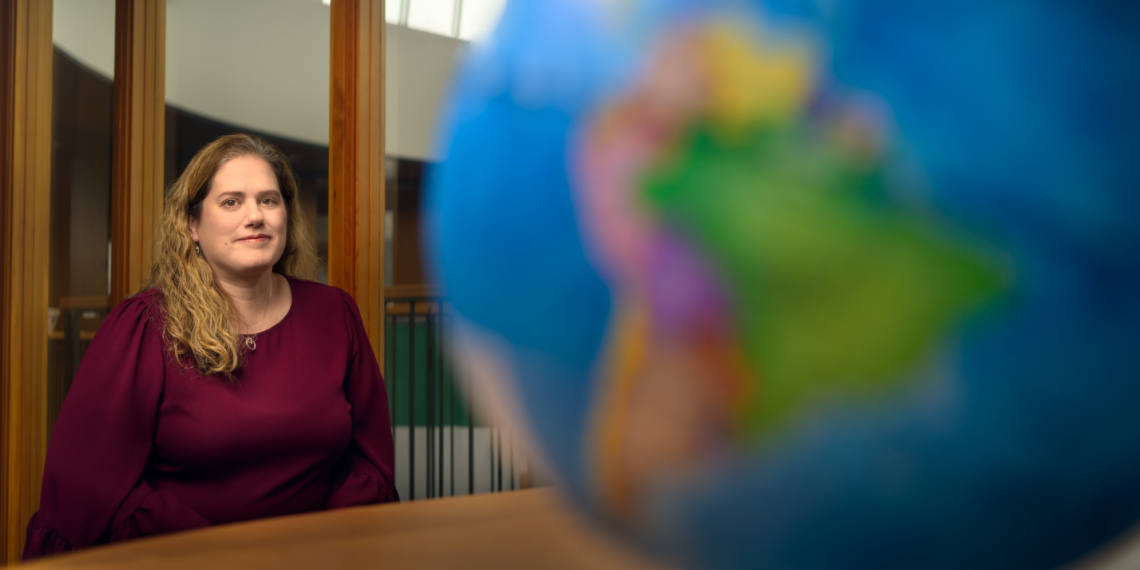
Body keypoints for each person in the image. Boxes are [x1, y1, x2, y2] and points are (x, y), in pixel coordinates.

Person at [24, 134, 398, 559]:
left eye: (269, 200)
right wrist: (227, 555)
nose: (255, 216)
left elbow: (371, 461)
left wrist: (320, 546)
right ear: (192, 225)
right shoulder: (144, 327)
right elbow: (95, 485)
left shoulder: (334, 313)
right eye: (231, 202)